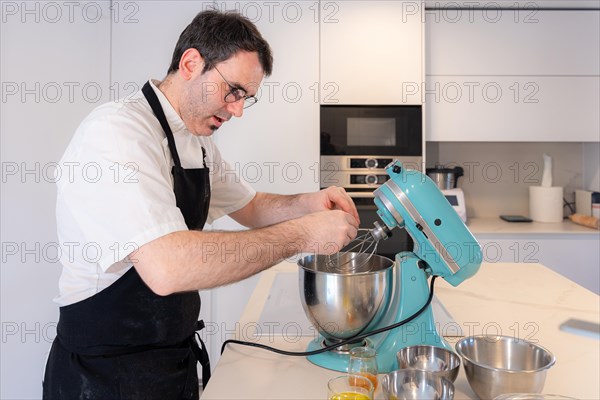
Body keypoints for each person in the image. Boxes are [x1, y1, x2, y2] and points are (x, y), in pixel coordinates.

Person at [42, 9, 359, 400]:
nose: (238, 109)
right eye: (234, 90)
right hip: (103, 376)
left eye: (246, 98)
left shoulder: (195, 138)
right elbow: (167, 267)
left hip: (169, 363)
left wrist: (308, 203)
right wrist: (302, 235)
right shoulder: (117, 133)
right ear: (191, 63)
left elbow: (251, 205)